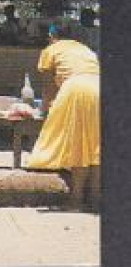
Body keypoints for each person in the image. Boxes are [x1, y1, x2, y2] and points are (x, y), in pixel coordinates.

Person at [25, 22, 100, 207]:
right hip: (100, 87)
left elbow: (48, 87)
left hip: (76, 88)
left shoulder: (51, 50)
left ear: (52, 36)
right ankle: (96, 198)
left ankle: (76, 199)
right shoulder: (86, 50)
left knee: (79, 144)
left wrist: (43, 110)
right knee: (97, 145)